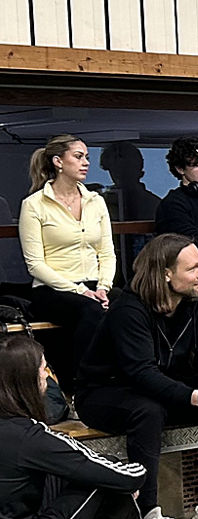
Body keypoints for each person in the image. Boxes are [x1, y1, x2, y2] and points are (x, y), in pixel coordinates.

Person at [74, 234, 198, 519]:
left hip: (163, 384)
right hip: (104, 392)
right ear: (166, 274)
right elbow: (140, 373)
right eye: (192, 269)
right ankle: (146, 512)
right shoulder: (129, 308)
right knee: (148, 410)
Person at [0, 334, 185, 519]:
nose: (47, 377)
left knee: (67, 472)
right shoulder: (29, 436)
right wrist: (126, 480)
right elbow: (127, 476)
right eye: (43, 369)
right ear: (25, 381)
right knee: (97, 476)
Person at [18, 135, 116, 383]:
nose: (86, 163)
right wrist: (80, 291)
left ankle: (128, 379)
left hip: (95, 285)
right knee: (90, 310)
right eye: (79, 156)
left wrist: (104, 287)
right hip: (53, 289)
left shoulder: (96, 201)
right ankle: (83, 384)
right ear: (58, 162)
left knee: (131, 304)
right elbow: (35, 264)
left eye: (87, 158)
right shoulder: (34, 205)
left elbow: (106, 252)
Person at [99, 141, 161, 223]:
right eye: (114, 168)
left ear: (138, 170)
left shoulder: (154, 205)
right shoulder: (101, 202)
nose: (119, 173)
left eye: (125, 168)